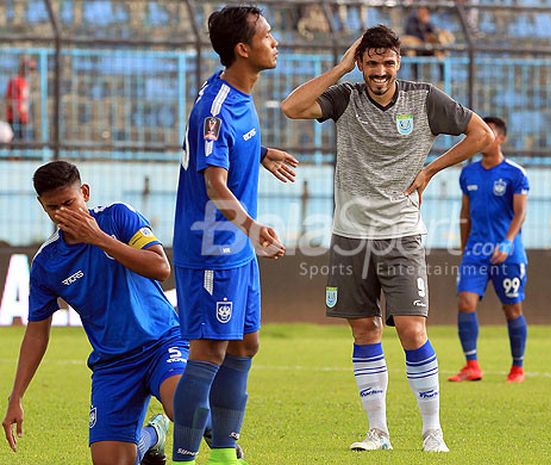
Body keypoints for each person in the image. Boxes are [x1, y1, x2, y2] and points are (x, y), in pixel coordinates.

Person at [281, 25, 493, 453]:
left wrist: (431, 169)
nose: (380, 71)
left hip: (402, 234)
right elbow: (291, 107)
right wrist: (340, 68)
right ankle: (378, 431)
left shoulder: (424, 98)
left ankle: (432, 430)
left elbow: (482, 135)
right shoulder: (346, 97)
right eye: (371, 62)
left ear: (399, 62)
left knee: (413, 330)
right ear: (361, 63)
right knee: (364, 330)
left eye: (388, 62)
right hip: (351, 235)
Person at [171, 5, 297, 465]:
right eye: (267, 35)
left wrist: (258, 152)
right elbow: (213, 183)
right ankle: (185, 457)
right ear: (243, 49)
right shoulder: (216, 108)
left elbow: (220, 149)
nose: (274, 41)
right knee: (208, 350)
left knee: (246, 343)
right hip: (211, 247)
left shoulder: (236, 93)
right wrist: (254, 227)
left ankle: (224, 454)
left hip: (236, 250)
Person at [2, 160, 187, 465]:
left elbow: (160, 267)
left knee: (183, 407)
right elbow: (36, 332)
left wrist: (99, 239)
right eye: (53, 208)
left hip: (162, 343)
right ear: (42, 206)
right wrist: (16, 397)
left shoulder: (118, 217)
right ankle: (153, 436)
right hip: (113, 365)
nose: (64, 213)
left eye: (69, 202)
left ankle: (224, 446)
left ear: (84, 192)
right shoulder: (47, 263)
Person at [448, 117, 529, 384]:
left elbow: (520, 213)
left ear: (502, 138)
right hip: (476, 251)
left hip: (508, 252)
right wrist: (464, 247)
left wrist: (507, 242)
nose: (483, 139)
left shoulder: (515, 173)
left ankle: (517, 368)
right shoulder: (468, 173)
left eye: (489, 134)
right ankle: (472, 365)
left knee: (512, 308)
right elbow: (465, 213)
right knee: (465, 302)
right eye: (480, 134)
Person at [5, 58, 34, 141]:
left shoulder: (25, 82)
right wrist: (16, 112)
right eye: (28, 69)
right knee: (14, 143)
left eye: (32, 70)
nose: (30, 72)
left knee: (22, 143)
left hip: (23, 118)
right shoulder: (15, 81)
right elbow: (8, 100)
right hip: (14, 118)